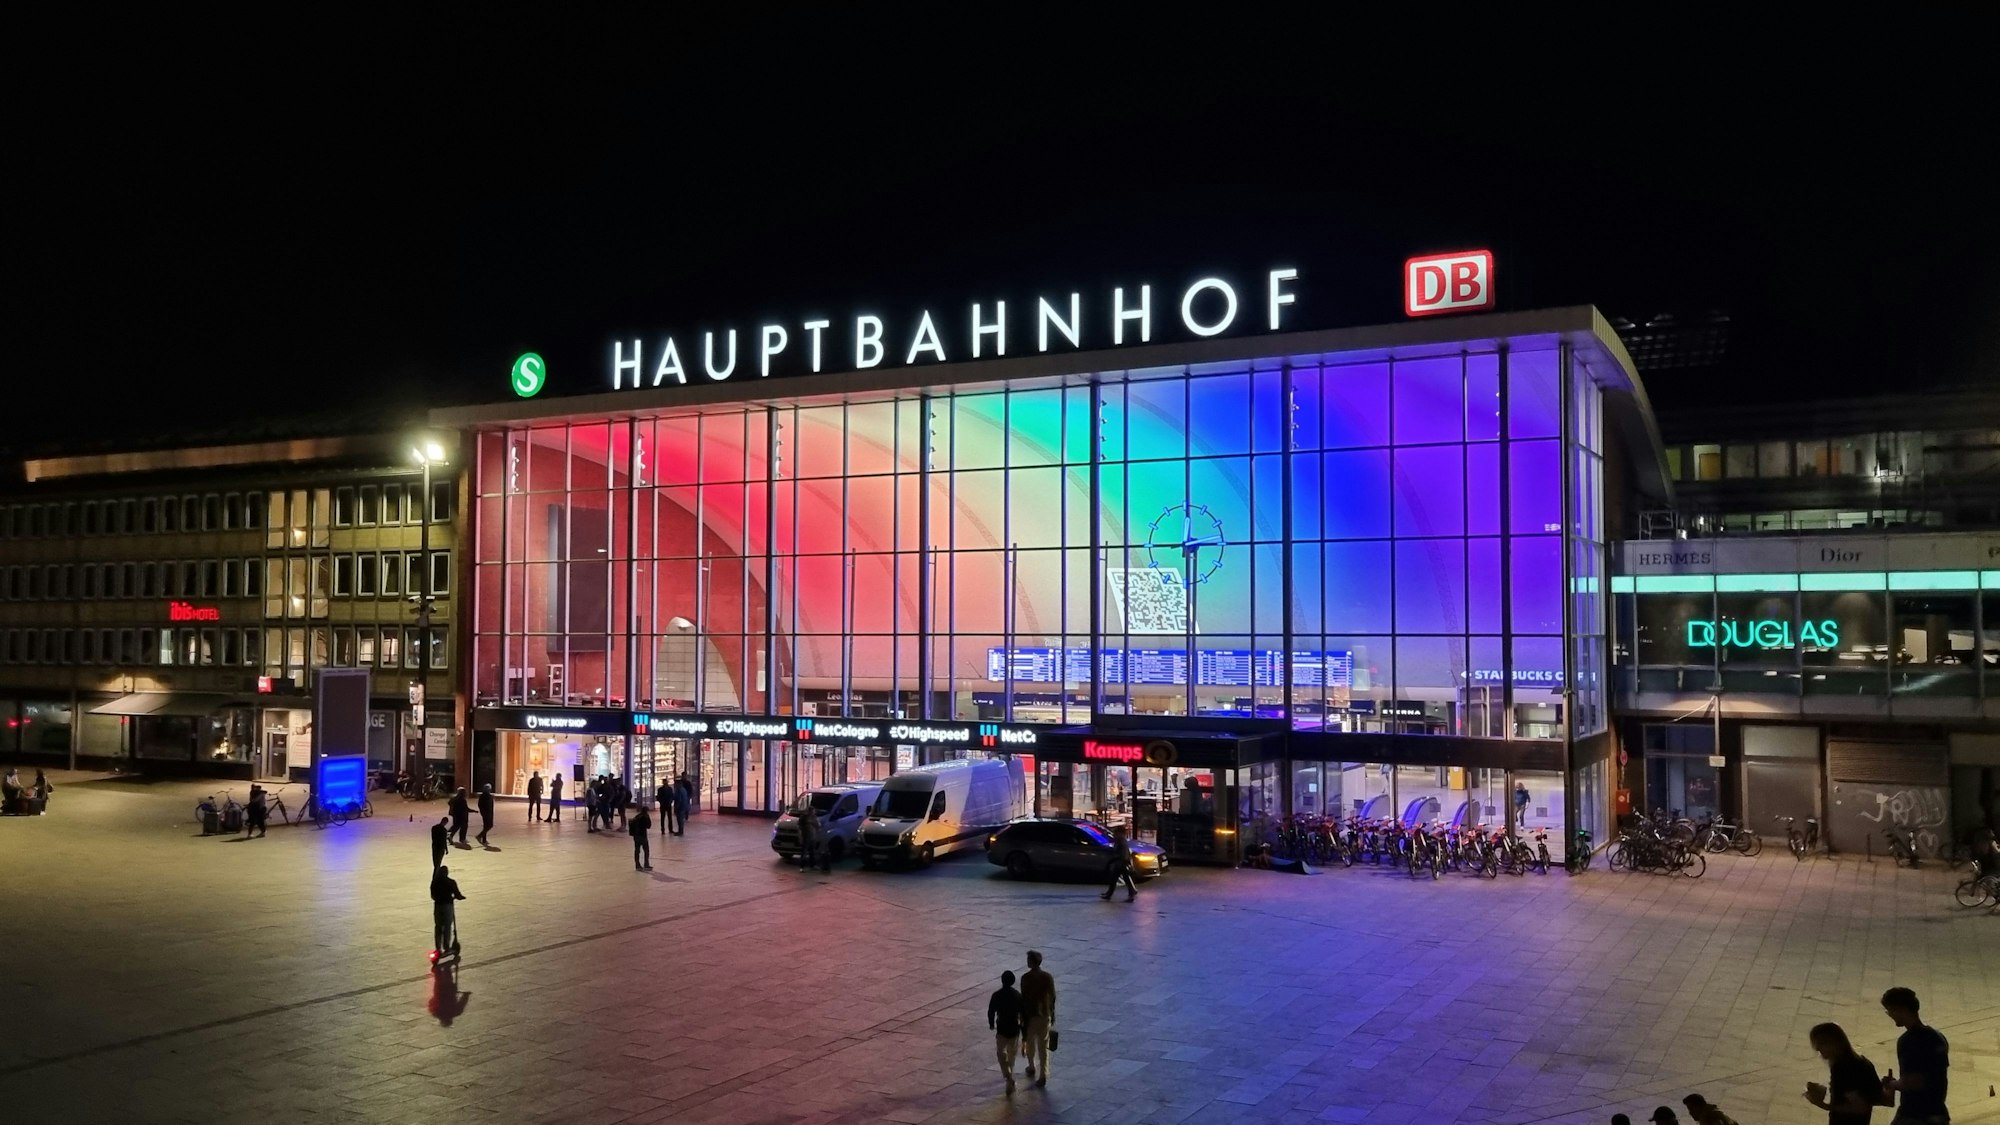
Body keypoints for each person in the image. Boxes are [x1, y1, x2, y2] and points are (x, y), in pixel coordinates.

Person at [1880, 986, 1950, 1124]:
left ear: (1901, 1009)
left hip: (1914, 1114)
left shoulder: (1908, 1041)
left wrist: (1891, 1084)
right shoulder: (1938, 1037)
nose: (1890, 1015)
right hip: (1938, 1111)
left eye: (1890, 1010)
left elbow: (1913, 1081)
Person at [1805, 1021, 1886, 1124]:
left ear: (1833, 1044)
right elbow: (1875, 1097)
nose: (1817, 1049)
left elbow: (1861, 1107)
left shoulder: (1843, 1069)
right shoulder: (1862, 1061)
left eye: (1821, 1044)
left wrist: (1824, 1105)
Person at [1020, 950, 1056, 1088]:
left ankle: (1031, 1065)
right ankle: (1043, 1074)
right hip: (1045, 1014)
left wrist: (1022, 1016)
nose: (1027, 962)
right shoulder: (1048, 977)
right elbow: (1052, 997)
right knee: (1043, 1046)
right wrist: (1053, 1013)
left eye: (1028, 959)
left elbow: (1023, 999)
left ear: (1032, 961)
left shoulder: (1025, 978)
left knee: (1030, 1043)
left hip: (1030, 1015)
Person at [987, 970, 1024, 1094]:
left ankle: (1008, 1076)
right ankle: (1009, 1077)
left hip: (1002, 1028)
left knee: (1000, 1053)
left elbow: (991, 1010)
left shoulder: (997, 995)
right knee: (1012, 1055)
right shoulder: (1017, 995)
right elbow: (1023, 1013)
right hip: (1014, 1029)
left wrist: (991, 1023)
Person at [430, 864, 465, 956]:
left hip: (438, 906)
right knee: (447, 926)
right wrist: (460, 897)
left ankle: (438, 948)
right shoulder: (451, 882)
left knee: (438, 926)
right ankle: (447, 947)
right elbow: (457, 894)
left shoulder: (434, 882)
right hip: (447, 906)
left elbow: (432, 895)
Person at [1102, 824, 1138, 902]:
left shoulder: (1120, 840)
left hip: (1121, 862)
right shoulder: (1121, 839)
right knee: (1120, 878)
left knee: (1116, 878)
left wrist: (1121, 859)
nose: (1114, 834)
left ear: (1119, 833)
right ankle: (1110, 894)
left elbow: (1123, 852)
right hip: (1121, 861)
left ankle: (1130, 894)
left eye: (1116, 832)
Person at [796, 800, 821, 872]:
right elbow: (799, 827)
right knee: (804, 852)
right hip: (806, 837)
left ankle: (812, 865)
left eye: (814, 811)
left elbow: (818, 826)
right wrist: (800, 836)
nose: (813, 812)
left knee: (812, 852)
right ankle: (802, 867)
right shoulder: (804, 817)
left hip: (812, 837)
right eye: (812, 811)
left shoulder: (814, 818)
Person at [630, 803, 652, 870]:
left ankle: (637, 865)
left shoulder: (637, 816)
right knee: (646, 850)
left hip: (636, 836)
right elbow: (649, 826)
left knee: (637, 850)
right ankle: (646, 864)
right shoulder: (645, 817)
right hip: (643, 836)